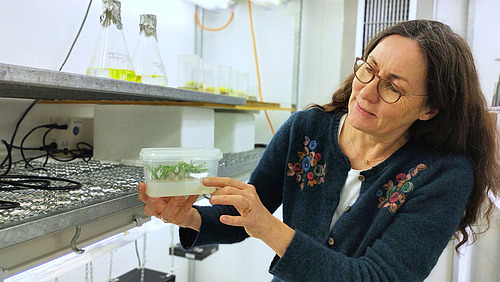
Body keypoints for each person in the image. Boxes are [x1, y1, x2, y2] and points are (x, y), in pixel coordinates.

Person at [137, 20, 500, 281]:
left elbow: (376, 277)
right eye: (369, 70)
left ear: (430, 109)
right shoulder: (305, 130)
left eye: (393, 87)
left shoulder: (445, 174)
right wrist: (188, 216)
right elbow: (239, 220)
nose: (367, 92)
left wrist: (269, 228)